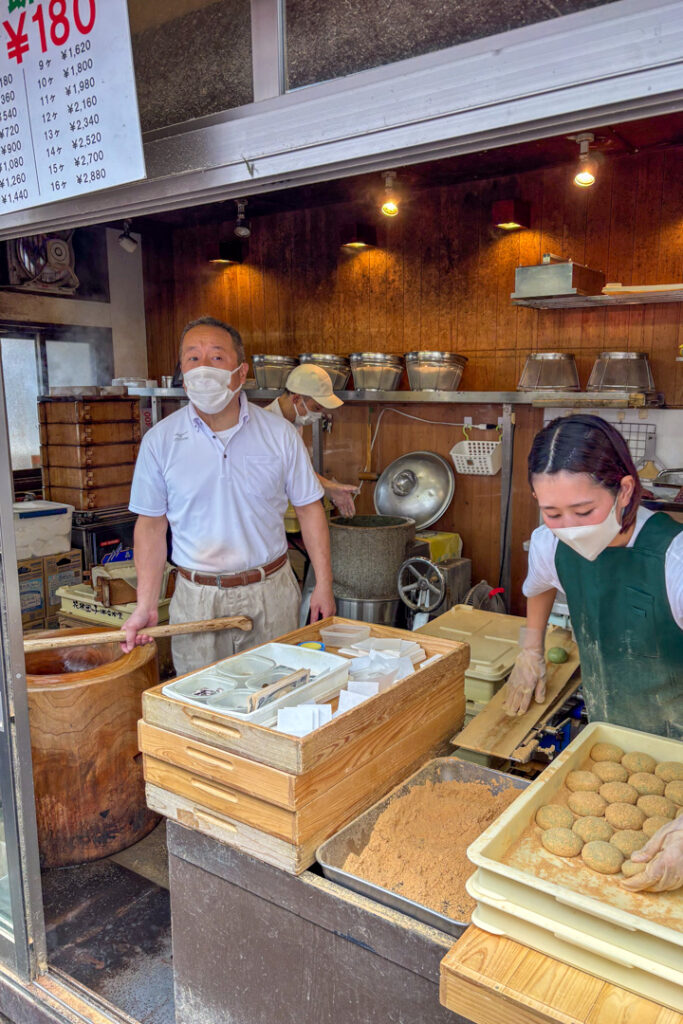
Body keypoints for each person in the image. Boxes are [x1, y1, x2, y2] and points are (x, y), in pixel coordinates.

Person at [504, 413, 683, 893]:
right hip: (607, 736)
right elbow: (539, 584)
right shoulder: (551, 545)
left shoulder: (675, 561)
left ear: (624, 490)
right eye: (551, 512)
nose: (568, 528)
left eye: (583, 512)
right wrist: (531, 649)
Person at [122, 316, 335, 675]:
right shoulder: (159, 441)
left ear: (240, 372)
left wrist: (324, 585)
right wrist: (146, 603)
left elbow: (310, 510)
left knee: (276, 697)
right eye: (192, 358)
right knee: (202, 704)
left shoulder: (281, 435)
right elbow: (151, 526)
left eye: (216, 357)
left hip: (270, 591)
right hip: (197, 598)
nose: (203, 368)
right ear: (182, 371)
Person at [265, 364, 358, 517]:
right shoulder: (265, 427)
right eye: (316, 408)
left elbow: (298, 468)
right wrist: (328, 486)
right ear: (296, 398)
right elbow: (287, 472)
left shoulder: (295, 425)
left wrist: (331, 488)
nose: (319, 415)